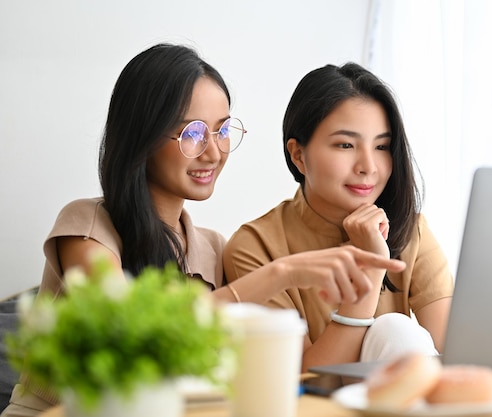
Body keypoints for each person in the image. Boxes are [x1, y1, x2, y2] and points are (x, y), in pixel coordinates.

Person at [0, 45, 406, 417]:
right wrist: (280, 274)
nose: (213, 152)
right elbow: (130, 334)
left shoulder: (212, 249)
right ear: (142, 136)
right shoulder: (87, 226)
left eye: (223, 130)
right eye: (193, 133)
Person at [223, 63, 454, 372]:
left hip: (408, 399)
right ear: (298, 155)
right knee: (394, 329)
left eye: (382, 146)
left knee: (396, 332)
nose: (368, 166)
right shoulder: (255, 246)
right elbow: (304, 379)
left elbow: (453, 353)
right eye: (346, 145)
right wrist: (371, 267)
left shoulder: (411, 229)